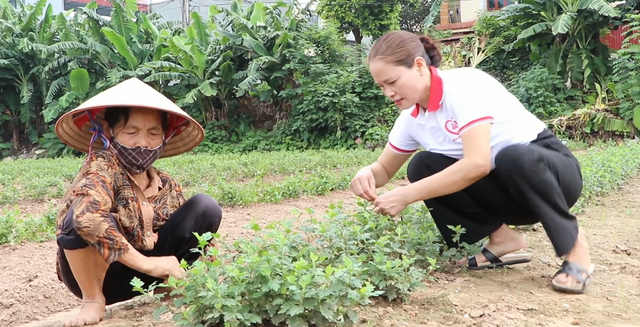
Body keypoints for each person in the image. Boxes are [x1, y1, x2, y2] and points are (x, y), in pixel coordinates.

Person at [349, 30, 594, 295]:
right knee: (422, 165)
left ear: (419, 65)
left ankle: (576, 249)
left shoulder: (463, 86)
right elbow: (384, 169)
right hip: (507, 192)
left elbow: (477, 163)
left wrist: (406, 195)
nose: (388, 92)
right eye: (381, 86)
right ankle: (502, 239)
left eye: (392, 81)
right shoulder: (411, 119)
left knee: (512, 155)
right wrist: (367, 173)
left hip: (552, 174)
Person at [53, 78, 223, 327]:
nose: (143, 142)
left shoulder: (165, 182)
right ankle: (93, 301)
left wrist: (213, 279)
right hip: (107, 276)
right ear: (110, 131)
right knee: (85, 216)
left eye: (153, 133)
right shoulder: (101, 169)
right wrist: (148, 264)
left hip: (150, 276)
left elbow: (196, 238)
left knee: (204, 207)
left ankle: (169, 289)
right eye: (131, 132)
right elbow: (85, 218)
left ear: (165, 135)